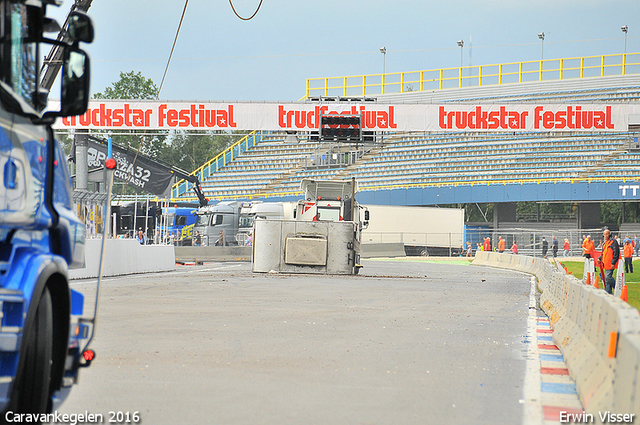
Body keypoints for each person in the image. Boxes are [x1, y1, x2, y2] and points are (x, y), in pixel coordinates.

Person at [599, 229, 620, 295]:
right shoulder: (605, 243)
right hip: (605, 263)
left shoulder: (613, 242)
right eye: (604, 234)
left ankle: (617, 288)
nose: (605, 235)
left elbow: (616, 253)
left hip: (610, 263)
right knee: (607, 280)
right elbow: (603, 252)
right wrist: (600, 258)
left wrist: (613, 263)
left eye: (607, 234)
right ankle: (608, 293)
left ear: (609, 234)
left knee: (608, 277)